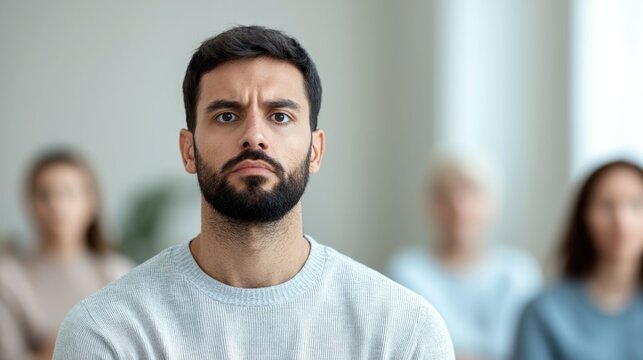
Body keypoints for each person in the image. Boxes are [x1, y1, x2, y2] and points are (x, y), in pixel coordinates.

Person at [52, 25, 455, 359]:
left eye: (280, 116)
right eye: (227, 115)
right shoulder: (107, 331)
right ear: (188, 150)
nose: (254, 137)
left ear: (315, 151)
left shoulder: (404, 332)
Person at [389, 154, 542, 360]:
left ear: (492, 203)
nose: (459, 207)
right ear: (430, 205)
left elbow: (530, 348)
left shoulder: (519, 271)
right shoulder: (408, 271)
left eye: (471, 193)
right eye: (446, 196)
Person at [0, 150, 133, 360]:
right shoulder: (9, 278)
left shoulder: (118, 272)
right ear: (30, 203)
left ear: (91, 202)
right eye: (45, 195)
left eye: (69, 193)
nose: (57, 205)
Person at [514, 160, 643, 360]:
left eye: (636, 205)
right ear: (584, 216)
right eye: (607, 205)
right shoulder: (544, 311)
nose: (621, 221)